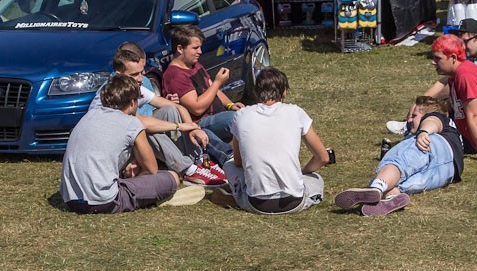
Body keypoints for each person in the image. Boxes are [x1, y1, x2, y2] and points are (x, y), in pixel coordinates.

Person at [100, 47, 229, 185]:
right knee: (147, 130)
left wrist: (192, 128)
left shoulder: (133, 87)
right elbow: (140, 123)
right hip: (118, 152)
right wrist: (179, 126)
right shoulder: (111, 94)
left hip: (133, 141)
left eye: (141, 73)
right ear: (119, 74)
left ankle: (199, 161)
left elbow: (178, 107)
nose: (140, 78)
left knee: (169, 110)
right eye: (135, 74)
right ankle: (188, 170)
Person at [61, 74, 186, 214]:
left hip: (70, 200)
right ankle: (157, 195)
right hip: (104, 201)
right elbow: (151, 169)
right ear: (132, 102)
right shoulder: (132, 123)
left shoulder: (88, 116)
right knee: (171, 177)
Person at [211, 68, 329, 215]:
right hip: (293, 202)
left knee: (229, 165)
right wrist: (303, 172)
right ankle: (311, 196)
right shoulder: (296, 112)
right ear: (284, 91)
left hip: (256, 203)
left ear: (256, 91)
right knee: (316, 178)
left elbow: (238, 161)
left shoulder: (241, 115)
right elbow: (323, 157)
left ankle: (238, 193)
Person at [336, 97, 463, 216]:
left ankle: (376, 186)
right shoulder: (451, 131)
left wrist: (423, 132)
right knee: (404, 183)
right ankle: (392, 196)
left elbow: (433, 120)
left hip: (437, 146)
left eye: (414, 116)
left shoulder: (434, 122)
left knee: (398, 160)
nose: (409, 121)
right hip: (449, 173)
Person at [161, 25, 242, 143]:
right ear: (180, 49)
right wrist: (218, 82)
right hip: (200, 123)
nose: (200, 51)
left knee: (246, 114)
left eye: (200, 47)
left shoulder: (194, 64)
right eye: (195, 48)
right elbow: (197, 108)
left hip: (218, 115)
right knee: (236, 119)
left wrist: (230, 105)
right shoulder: (175, 75)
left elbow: (213, 90)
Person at [429, 33, 477, 165]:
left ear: (453, 58)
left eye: (437, 58)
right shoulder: (457, 72)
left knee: (427, 139)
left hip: (470, 139)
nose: (433, 62)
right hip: (462, 127)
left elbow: (473, 115)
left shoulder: (465, 76)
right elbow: (452, 104)